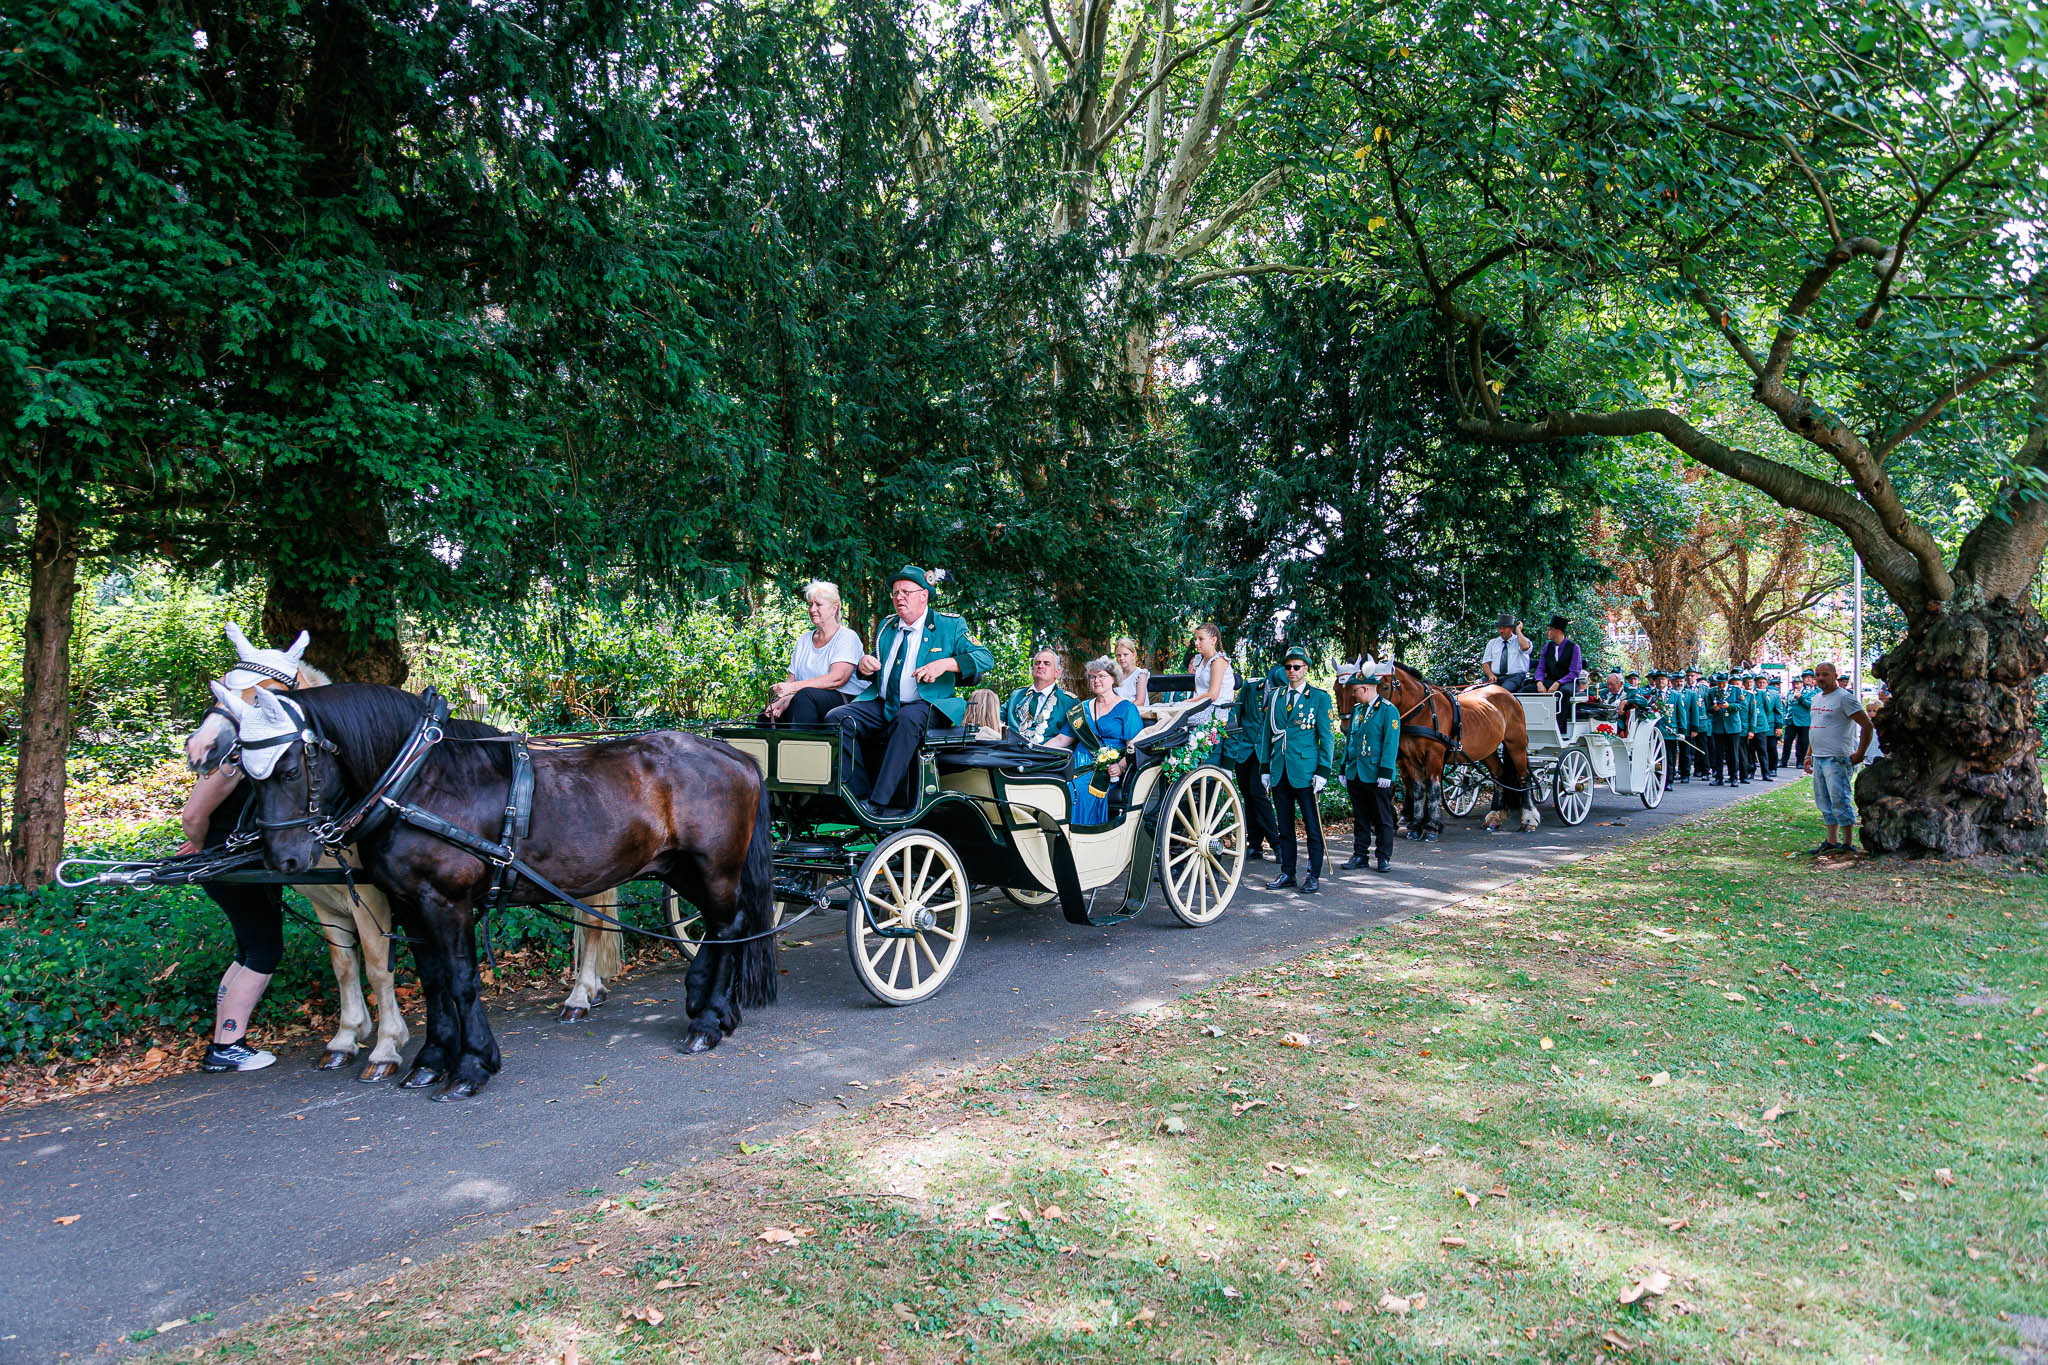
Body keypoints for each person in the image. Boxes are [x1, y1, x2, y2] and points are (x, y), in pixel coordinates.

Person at [177, 625, 325, 1074]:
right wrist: (199, 846)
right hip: (229, 863)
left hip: (236, 861)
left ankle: (226, 1037)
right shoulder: (238, 758)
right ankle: (228, 1046)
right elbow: (192, 815)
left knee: (247, 951)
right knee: (263, 952)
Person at [828, 566, 993, 818]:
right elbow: (878, 666)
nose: (899, 598)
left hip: (928, 704)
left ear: (924, 595)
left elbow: (985, 658)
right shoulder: (887, 625)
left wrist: (945, 664)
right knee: (837, 719)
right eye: (895, 593)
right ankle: (858, 795)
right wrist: (865, 667)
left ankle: (879, 803)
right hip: (883, 702)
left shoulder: (949, 625)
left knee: (906, 719)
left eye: (906, 592)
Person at [1258, 645, 1335, 895]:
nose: (1291, 671)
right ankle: (1288, 872)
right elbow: (1267, 735)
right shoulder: (1276, 696)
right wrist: (1265, 768)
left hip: (1306, 772)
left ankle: (1313, 875)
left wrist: (1323, 771)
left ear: (1306, 669)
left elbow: (1326, 737)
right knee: (1285, 827)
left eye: (1297, 667)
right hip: (1280, 770)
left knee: (1312, 827)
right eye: (1288, 667)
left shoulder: (1320, 698)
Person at [765, 580, 865, 726]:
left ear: (834, 608)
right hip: (806, 698)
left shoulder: (847, 637)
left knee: (805, 697)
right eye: (810, 604)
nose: (812, 609)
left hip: (846, 700)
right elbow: (791, 679)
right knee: (769, 714)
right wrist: (781, 701)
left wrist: (792, 689)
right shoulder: (804, 639)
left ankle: (802, 748)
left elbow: (836, 679)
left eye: (818, 604)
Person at [1804, 661, 1873, 853]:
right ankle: (1831, 841)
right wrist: (1808, 755)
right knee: (1823, 800)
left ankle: (1847, 843)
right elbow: (1815, 728)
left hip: (1838, 758)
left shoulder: (1845, 698)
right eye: (1817, 674)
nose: (1820, 678)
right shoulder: (1816, 698)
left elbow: (1867, 725)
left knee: (1839, 799)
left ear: (1835, 676)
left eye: (1825, 674)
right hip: (1819, 757)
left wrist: (1859, 754)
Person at [1068, 657, 1144, 825]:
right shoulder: (1082, 709)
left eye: (1101, 676)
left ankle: (1082, 835)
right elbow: (1061, 739)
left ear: (1113, 678)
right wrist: (1034, 750)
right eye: (1092, 677)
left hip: (1106, 770)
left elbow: (1134, 746)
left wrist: (1121, 766)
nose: (1096, 681)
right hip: (1077, 764)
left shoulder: (1127, 708)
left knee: (1074, 790)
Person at [1338, 662, 1399, 873]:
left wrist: (1386, 772)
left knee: (1383, 817)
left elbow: (1391, 743)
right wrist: (1342, 767)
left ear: (1365, 688)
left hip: (1376, 774)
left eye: (1355, 691)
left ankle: (1383, 857)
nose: (1353, 695)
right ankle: (1360, 855)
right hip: (1356, 772)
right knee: (1361, 817)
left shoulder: (1388, 711)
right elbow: (1350, 741)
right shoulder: (1357, 711)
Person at [1221, 663, 1283, 861]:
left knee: (1259, 795)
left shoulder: (1281, 697)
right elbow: (1236, 715)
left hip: (1264, 753)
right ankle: (1254, 844)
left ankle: (1276, 843)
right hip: (1243, 750)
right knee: (1248, 796)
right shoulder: (1250, 686)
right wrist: (1233, 747)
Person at [1003, 648, 1078, 749]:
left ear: (1057, 673)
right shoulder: (1016, 695)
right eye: (1037, 663)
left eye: (1047, 663)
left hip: (1047, 759)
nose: (1040, 666)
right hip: (1011, 754)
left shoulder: (1068, 701)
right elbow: (996, 719)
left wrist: (1037, 752)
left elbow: (1068, 737)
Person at [1530, 615, 1584, 720]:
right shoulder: (1548, 647)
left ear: (1557, 631)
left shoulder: (1574, 647)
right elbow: (1541, 667)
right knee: (1527, 690)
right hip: (1550, 680)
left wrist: (1558, 683)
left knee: (1564, 692)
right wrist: (1539, 682)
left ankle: (1559, 725)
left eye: (1550, 630)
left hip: (1568, 682)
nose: (1547, 632)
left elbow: (1574, 672)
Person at [1186, 623, 1237, 722]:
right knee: (1169, 716)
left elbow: (1212, 695)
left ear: (1213, 640)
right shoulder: (1199, 660)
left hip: (1216, 710)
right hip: (1200, 707)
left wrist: (1187, 702)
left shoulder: (1218, 662)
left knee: (1175, 720)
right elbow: (1198, 691)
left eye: (1201, 639)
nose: (1196, 643)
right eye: (1195, 639)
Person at [1706, 671, 1742, 785]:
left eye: (1723, 683)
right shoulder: (1712, 692)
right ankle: (1718, 777)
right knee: (1718, 754)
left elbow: (1742, 705)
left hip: (1732, 726)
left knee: (1733, 754)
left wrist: (1729, 706)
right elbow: (1708, 708)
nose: (1721, 685)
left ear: (1727, 681)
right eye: (1719, 683)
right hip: (1718, 726)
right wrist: (1714, 708)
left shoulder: (1736, 690)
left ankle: (1733, 777)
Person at [1481, 615, 1533, 692]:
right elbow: (1485, 663)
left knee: (1502, 692)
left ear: (1511, 628)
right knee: (1483, 691)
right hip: (1496, 677)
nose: (1501, 631)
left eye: (1504, 628)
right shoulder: (1492, 643)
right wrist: (1491, 675)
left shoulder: (1520, 640)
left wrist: (1518, 631)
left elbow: (1525, 647)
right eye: (1499, 628)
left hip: (1514, 677)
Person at [1781, 669, 1817, 769]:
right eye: (1794, 683)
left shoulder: (1809, 692)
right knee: (1787, 741)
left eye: (1797, 683)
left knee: (1803, 743)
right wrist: (1786, 716)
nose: (1795, 685)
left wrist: (1801, 698)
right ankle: (1784, 761)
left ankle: (1800, 761)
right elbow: (1787, 705)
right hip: (1791, 720)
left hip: (1803, 721)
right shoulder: (1790, 692)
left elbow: (1810, 705)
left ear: (1802, 683)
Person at [1110, 637, 1150, 705]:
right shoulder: (1115, 675)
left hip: (1137, 712)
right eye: (1119, 655)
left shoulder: (1140, 675)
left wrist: (1121, 708)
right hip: (1120, 711)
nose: (1122, 658)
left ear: (1133, 655)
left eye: (1125, 655)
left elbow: (1140, 702)